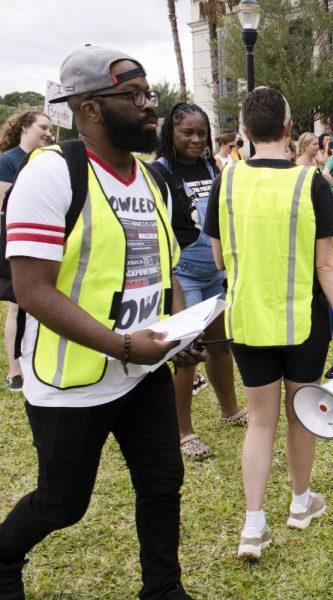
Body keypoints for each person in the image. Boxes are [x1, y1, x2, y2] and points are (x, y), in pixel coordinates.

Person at [0, 45, 202, 599]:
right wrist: (121, 345)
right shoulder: (51, 175)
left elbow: (166, 268)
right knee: (63, 503)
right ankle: (2, 557)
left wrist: (177, 330)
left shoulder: (153, 178)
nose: (148, 107)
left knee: (163, 484)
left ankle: (163, 590)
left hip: (143, 369)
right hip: (72, 381)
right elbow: (32, 289)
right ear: (89, 108)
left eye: (148, 94)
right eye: (133, 96)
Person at [204, 86, 333, 562]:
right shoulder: (309, 181)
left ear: (245, 132)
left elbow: (216, 256)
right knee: (300, 415)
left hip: (246, 319)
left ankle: (253, 525)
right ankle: (300, 502)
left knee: (260, 423)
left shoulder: (225, 180)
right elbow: (327, 265)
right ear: (290, 130)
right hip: (301, 322)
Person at [150, 102, 245, 462]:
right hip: (183, 273)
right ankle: (183, 431)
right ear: (170, 134)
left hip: (214, 273)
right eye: (186, 132)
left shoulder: (212, 166)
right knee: (187, 354)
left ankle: (230, 410)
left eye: (200, 132)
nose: (195, 139)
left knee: (221, 345)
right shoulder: (158, 172)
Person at [0, 108, 53, 393]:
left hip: (47, 241)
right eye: (42, 127)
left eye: (50, 129)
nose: (48, 133)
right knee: (18, 304)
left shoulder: (47, 160)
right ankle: (15, 369)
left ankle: (37, 359)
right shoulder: (7, 162)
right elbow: (3, 210)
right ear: (24, 128)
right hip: (15, 242)